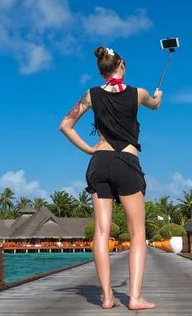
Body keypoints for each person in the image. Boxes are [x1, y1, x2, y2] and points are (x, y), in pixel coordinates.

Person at [59, 46, 162, 310]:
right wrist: (158, 96)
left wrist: (90, 149)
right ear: (122, 64)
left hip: (99, 162)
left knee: (102, 232)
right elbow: (154, 104)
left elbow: (65, 125)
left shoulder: (90, 95)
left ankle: (106, 297)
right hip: (126, 162)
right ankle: (135, 298)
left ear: (101, 69)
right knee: (137, 232)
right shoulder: (138, 93)